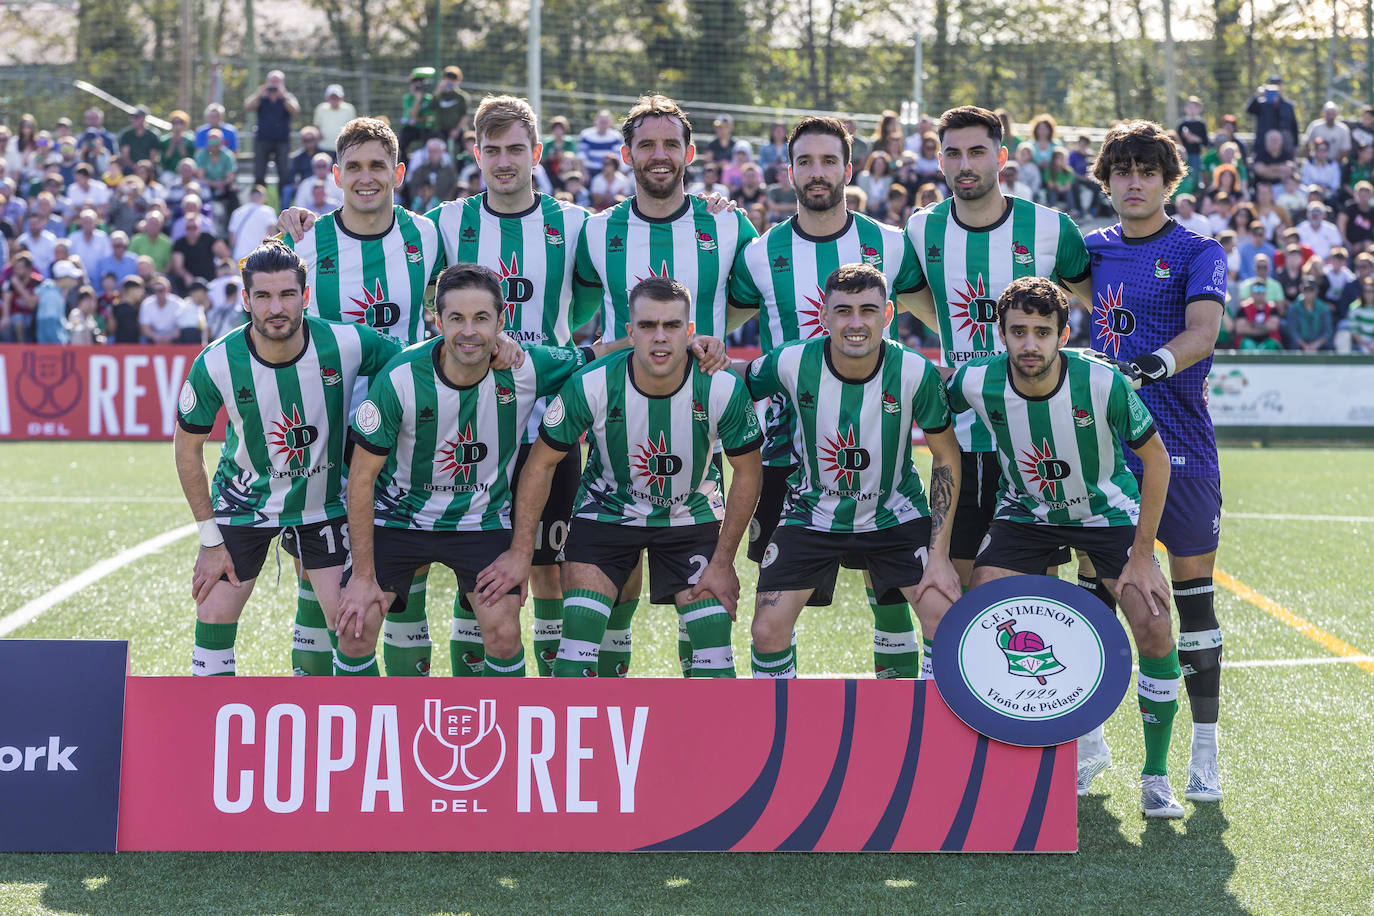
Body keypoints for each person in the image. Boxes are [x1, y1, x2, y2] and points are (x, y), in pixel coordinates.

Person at [950, 275, 1181, 816]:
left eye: (1042, 332)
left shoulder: (1102, 383)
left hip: (1107, 517)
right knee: (986, 607)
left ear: (1063, 333)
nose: (1030, 344)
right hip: (1027, 516)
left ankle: (1155, 775)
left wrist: (1144, 556)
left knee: (1152, 622)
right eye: (1019, 332)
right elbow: (915, 394)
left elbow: (1157, 461)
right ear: (1001, 334)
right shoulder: (976, 381)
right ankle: (1036, 749)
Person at [477, 276, 763, 677]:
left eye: (672, 326)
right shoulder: (592, 383)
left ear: (691, 331)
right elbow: (540, 464)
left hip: (691, 514)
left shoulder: (721, 387)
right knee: (577, 646)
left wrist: (723, 561)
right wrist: (522, 550)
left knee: (714, 649)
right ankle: (583, 736)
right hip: (607, 511)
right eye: (647, 326)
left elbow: (748, 473)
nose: (659, 338)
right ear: (630, 332)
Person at [729, 115, 929, 679]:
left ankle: (901, 723)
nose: (817, 173)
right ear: (788, 170)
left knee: (889, 597)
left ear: (849, 167)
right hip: (781, 457)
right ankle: (780, 730)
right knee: (774, 607)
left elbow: (937, 320)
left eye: (829, 161)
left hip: (877, 450)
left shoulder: (890, 244)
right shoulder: (759, 253)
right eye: (806, 162)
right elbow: (718, 323)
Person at [339, 264, 593, 677]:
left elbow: (603, 353)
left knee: (504, 632)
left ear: (502, 319)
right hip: (398, 519)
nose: (469, 331)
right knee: (355, 627)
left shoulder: (526, 368)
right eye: (456, 318)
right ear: (437, 321)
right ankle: (371, 736)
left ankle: (502, 735)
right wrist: (363, 576)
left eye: (481, 318)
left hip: (481, 521)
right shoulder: (401, 378)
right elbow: (362, 479)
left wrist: (687, 345)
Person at [570, 94, 748, 674]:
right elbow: (571, 312)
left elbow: (745, 298)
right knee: (611, 592)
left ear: (690, 152)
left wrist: (714, 336)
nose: (659, 154)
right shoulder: (599, 232)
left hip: (702, 431)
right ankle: (611, 700)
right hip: (618, 427)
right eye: (646, 144)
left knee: (698, 603)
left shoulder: (726, 223)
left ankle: (699, 719)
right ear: (626, 154)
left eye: (671, 143)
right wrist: (609, 349)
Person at [421, 95, 598, 676]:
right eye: (491, 150)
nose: (503, 161)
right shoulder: (448, 223)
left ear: (536, 153)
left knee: (550, 564)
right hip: (468, 420)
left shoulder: (575, 225)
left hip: (549, 417)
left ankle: (547, 695)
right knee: (471, 556)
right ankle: (476, 694)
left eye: (515, 149)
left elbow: (599, 295)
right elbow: (420, 295)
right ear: (476, 153)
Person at [1083, 118, 1229, 804]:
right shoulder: (1088, 252)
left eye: (1147, 170)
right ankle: (1087, 744)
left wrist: (1149, 366)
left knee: (1193, 604)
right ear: (1106, 180)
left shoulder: (1199, 249)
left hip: (1183, 451)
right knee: (1095, 602)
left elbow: (1203, 332)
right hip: (1104, 456)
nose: (1134, 182)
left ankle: (1204, 752)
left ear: (1170, 180)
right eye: (1122, 170)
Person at [174, 241, 402, 676]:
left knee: (355, 627)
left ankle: (346, 731)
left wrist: (494, 346)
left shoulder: (346, 342)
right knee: (213, 613)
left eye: (286, 295)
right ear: (245, 300)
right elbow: (186, 450)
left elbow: (419, 362)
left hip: (324, 503)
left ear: (306, 295)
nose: (275, 307)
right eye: (262, 296)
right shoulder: (217, 361)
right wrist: (209, 538)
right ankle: (210, 735)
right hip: (244, 503)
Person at [904, 105, 1093, 590]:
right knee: (963, 588)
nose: (965, 164)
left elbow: (1096, 304)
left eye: (977, 152)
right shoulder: (923, 228)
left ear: (1001, 157)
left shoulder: (1051, 228)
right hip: (962, 437)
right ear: (940, 161)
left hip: (1037, 433)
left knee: (1036, 586)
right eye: (953, 153)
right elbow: (921, 300)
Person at [741, 263, 959, 680]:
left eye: (867, 310)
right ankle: (781, 735)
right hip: (810, 513)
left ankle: (934, 736)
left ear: (888, 315)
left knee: (944, 618)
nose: (855, 323)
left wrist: (940, 554)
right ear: (823, 316)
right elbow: (738, 384)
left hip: (895, 513)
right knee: (766, 630)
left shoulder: (914, 371)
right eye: (843, 311)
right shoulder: (790, 362)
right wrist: (706, 352)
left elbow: (946, 458)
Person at [1246, 75, 1300, 154]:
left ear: (1282, 87)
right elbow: (1249, 110)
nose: (1275, 88)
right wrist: (1257, 95)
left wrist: (1295, 145)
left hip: (1284, 148)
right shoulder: (1260, 104)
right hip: (1263, 147)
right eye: (1272, 85)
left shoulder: (1288, 106)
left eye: (1278, 85)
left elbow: (1294, 127)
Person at [228, 185, 278, 264]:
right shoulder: (267, 211)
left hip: (240, 257)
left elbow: (232, 240)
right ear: (263, 197)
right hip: (259, 257)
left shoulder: (237, 212)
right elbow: (272, 235)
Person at [1284, 278, 1333, 351]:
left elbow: (1327, 331)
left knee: (1329, 347)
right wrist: (1304, 345)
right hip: (1300, 344)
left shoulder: (1324, 309)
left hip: (1319, 344)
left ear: (1316, 291)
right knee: (1292, 346)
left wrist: (1316, 345)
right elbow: (1292, 331)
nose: (1308, 293)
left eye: (1311, 290)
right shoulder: (1294, 308)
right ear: (1302, 291)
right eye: (1306, 290)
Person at [399, 67, 437, 159]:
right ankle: (405, 165)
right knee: (401, 145)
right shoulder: (408, 98)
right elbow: (412, 115)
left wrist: (418, 119)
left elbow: (430, 117)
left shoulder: (429, 98)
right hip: (410, 128)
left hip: (425, 128)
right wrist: (417, 99)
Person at [312, 84, 356, 154]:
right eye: (332, 97)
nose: (334, 99)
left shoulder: (349, 108)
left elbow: (352, 127)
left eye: (336, 97)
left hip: (343, 147)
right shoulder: (320, 108)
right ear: (327, 98)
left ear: (342, 97)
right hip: (324, 146)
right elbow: (317, 125)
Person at [433, 66, 470, 148]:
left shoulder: (461, 97)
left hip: (458, 130)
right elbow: (431, 107)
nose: (450, 81)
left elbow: (464, 116)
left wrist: (456, 130)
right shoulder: (439, 95)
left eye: (453, 79)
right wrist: (438, 91)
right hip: (441, 130)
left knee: (464, 144)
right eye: (448, 78)